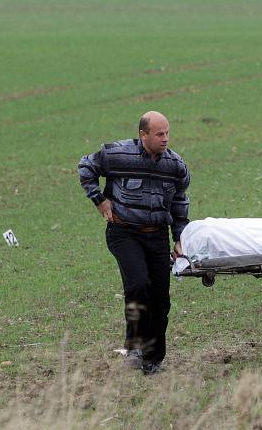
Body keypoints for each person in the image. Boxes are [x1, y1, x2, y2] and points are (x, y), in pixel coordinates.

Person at [78, 111, 190, 375]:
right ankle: (134, 348)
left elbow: (180, 203)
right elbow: (86, 167)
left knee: (161, 299)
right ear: (143, 135)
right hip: (124, 232)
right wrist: (99, 200)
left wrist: (179, 239)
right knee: (138, 284)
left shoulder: (175, 166)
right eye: (159, 134)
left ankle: (153, 360)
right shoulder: (118, 155)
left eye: (167, 133)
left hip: (157, 234)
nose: (165, 139)